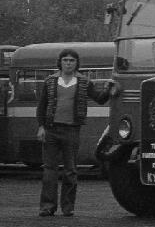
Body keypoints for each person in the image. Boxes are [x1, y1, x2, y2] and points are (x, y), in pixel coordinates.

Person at [36, 48, 115, 217]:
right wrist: (41, 127)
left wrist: (109, 89)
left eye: (72, 60)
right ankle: (47, 207)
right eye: (65, 60)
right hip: (51, 130)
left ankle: (68, 207)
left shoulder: (84, 82)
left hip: (71, 131)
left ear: (77, 63)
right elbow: (42, 106)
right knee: (50, 170)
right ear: (60, 62)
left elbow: (100, 99)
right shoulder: (50, 81)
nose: (68, 63)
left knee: (70, 170)